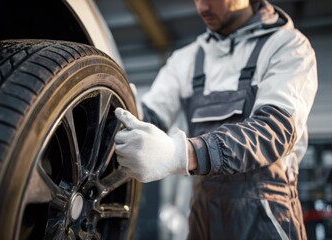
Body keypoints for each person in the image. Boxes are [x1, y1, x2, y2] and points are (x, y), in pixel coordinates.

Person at [114, 0, 318, 239]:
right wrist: (122, 108)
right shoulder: (186, 59)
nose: (202, 8)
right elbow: (149, 117)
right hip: (204, 216)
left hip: (266, 217)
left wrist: (183, 154)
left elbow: (274, 130)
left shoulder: (287, 46)